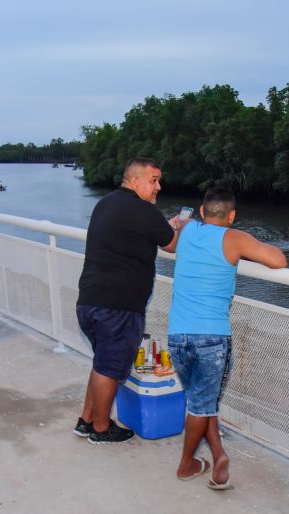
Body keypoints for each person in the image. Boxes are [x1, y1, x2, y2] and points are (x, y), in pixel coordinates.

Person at [167, 187, 287, 490]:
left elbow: (169, 244)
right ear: (232, 216)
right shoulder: (235, 238)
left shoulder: (188, 228)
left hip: (177, 335)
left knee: (200, 400)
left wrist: (180, 222)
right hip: (212, 338)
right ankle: (186, 464)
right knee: (201, 405)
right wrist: (248, 242)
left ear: (202, 211)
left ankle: (219, 455)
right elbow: (278, 261)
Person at [74, 157, 181, 444]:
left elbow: (137, 234)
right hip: (118, 307)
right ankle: (100, 429)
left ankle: (86, 420)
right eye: (153, 180)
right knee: (110, 369)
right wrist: (181, 227)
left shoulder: (106, 203)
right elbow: (173, 245)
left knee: (102, 364)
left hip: (90, 300)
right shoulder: (143, 210)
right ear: (134, 181)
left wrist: (165, 226)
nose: (158, 186)